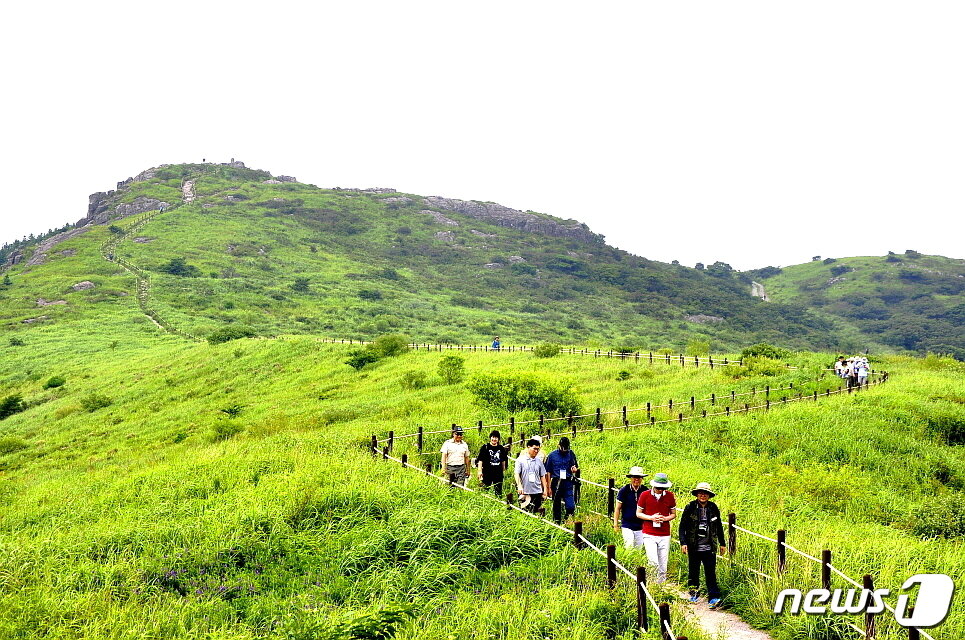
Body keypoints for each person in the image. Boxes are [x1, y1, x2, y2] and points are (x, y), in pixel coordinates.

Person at [679, 482, 726, 607]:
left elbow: (719, 526)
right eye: (700, 493)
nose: (702, 495)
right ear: (697, 494)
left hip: (709, 546)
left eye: (705, 493)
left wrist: (722, 543)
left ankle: (713, 597)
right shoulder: (690, 507)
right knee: (693, 571)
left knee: (710, 572)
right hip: (693, 546)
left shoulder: (713, 508)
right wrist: (683, 542)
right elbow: (682, 526)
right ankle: (693, 593)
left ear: (709, 495)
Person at [636, 472, 676, 583]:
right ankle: (652, 583)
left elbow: (673, 514)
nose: (660, 490)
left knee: (663, 562)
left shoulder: (670, 496)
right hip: (649, 533)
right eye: (658, 488)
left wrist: (664, 518)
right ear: (654, 485)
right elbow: (638, 513)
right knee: (653, 561)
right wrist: (651, 518)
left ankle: (661, 585)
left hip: (664, 534)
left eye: (662, 488)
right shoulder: (644, 495)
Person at [545, 437, 579, 523]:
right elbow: (548, 472)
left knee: (571, 506)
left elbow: (575, 465)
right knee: (556, 505)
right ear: (559, 446)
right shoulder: (552, 456)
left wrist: (574, 469)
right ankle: (557, 522)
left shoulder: (571, 454)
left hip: (568, 482)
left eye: (566, 448)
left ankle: (567, 520)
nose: (564, 450)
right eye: (563, 448)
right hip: (556, 482)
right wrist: (548, 487)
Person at [614, 467, 649, 549]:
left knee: (638, 549)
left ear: (642, 479)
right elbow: (618, 508)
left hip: (641, 526)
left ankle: (636, 562)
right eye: (634, 477)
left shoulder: (645, 491)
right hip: (627, 524)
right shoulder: (624, 490)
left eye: (639, 477)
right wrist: (616, 524)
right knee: (629, 545)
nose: (636, 479)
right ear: (630, 478)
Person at [514, 438, 549, 513]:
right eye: (534, 449)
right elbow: (516, 474)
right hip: (525, 491)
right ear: (528, 447)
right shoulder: (520, 460)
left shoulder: (539, 461)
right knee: (524, 512)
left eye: (538, 449)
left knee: (536, 512)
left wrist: (545, 490)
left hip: (537, 491)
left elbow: (542, 476)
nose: (536, 451)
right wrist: (519, 486)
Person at [476, 430, 508, 496]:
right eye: (493, 437)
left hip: (498, 473)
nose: (494, 439)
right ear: (490, 438)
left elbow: (503, 460)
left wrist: (503, 470)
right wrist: (479, 471)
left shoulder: (501, 448)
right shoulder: (485, 447)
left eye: (496, 438)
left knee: (498, 490)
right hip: (487, 472)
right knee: (485, 489)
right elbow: (480, 460)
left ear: (498, 439)